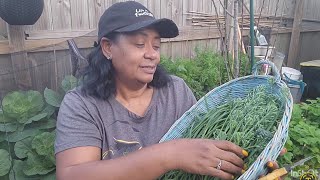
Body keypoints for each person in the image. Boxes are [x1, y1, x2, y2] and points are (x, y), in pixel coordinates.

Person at [55, 1, 283, 179]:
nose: (152, 54)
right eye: (139, 44)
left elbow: (205, 150)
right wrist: (169, 155)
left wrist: (253, 156)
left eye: (156, 45)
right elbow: (72, 175)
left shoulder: (175, 91)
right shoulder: (82, 105)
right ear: (107, 47)